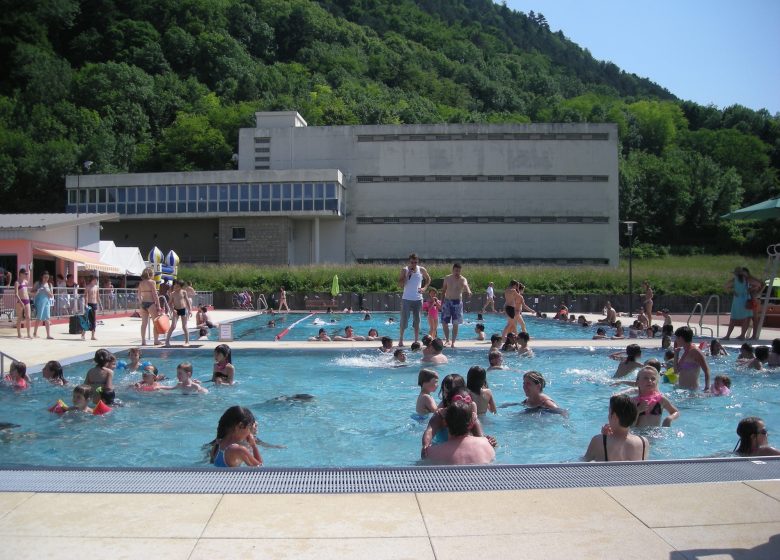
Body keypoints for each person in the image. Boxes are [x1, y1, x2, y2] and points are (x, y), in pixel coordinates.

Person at [423, 399, 496, 465]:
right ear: (471, 424)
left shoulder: (431, 453)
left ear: (445, 423)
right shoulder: (487, 444)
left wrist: (435, 418)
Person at [584, 395, 649, 462]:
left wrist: (604, 438)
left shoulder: (598, 441)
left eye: (609, 413)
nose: (608, 416)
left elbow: (582, 463)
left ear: (614, 416)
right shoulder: (643, 442)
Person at [398, 253, 430, 347]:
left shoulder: (422, 269)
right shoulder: (405, 270)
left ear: (418, 261)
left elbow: (428, 279)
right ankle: (401, 340)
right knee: (404, 319)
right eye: (412, 262)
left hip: (418, 299)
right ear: (409, 262)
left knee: (417, 320)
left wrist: (424, 288)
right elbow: (400, 284)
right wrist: (407, 275)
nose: (414, 264)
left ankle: (416, 340)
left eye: (415, 262)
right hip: (406, 298)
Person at [723, 267, 761, 340]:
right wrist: (750, 289)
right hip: (745, 299)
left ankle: (728, 336)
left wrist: (732, 291)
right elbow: (758, 284)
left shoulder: (735, 280)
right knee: (745, 319)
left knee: (733, 319)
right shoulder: (747, 279)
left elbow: (725, 286)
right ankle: (743, 335)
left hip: (737, 300)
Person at [439, 263, 471, 347]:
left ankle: (453, 342)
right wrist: (441, 302)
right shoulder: (447, 278)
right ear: (453, 270)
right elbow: (443, 290)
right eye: (456, 271)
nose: (457, 272)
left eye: (459, 271)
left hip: (457, 303)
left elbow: (466, 285)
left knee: (455, 323)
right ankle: (447, 340)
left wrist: (468, 291)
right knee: (444, 322)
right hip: (447, 301)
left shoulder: (462, 279)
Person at [673, 326, 711, 391]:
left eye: (676, 338)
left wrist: (707, 388)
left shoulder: (695, 351)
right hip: (681, 390)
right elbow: (676, 371)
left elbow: (707, 370)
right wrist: (676, 354)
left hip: (692, 392)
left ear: (681, 338)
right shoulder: (684, 351)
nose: (675, 340)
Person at [165, 280, 192, 347]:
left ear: (181, 287)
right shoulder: (173, 294)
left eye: (177, 286)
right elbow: (169, 303)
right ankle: (167, 341)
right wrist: (172, 310)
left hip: (183, 309)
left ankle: (187, 341)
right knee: (173, 326)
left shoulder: (184, 292)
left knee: (184, 326)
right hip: (176, 310)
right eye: (175, 285)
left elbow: (187, 301)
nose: (175, 286)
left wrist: (190, 310)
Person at [137, 267, 160, 346]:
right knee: (155, 322)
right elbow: (155, 294)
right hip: (151, 303)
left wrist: (141, 303)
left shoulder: (141, 283)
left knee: (144, 323)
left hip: (143, 304)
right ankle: (156, 340)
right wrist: (158, 305)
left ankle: (143, 341)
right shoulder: (152, 282)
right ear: (151, 274)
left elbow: (139, 295)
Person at [33, 271, 54, 339]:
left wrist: (47, 291)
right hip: (39, 302)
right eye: (45, 277)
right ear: (42, 277)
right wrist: (37, 291)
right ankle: (35, 333)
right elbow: (32, 291)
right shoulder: (38, 283)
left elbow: (51, 296)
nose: (46, 279)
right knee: (39, 318)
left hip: (47, 302)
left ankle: (48, 335)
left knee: (47, 318)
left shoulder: (50, 285)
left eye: (47, 277)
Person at [14, 268, 31, 339]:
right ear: (21, 274)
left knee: (28, 317)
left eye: (26, 274)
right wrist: (21, 302)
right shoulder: (17, 283)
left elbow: (29, 279)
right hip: (20, 301)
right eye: (25, 274)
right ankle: (19, 334)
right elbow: (16, 294)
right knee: (20, 318)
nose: (26, 275)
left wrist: (30, 269)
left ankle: (28, 334)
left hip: (27, 301)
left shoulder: (25, 282)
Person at [82, 275, 99, 341]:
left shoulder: (97, 287)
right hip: (89, 304)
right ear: (92, 280)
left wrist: (98, 304)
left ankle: (93, 335)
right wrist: (86, 304)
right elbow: (85, 296)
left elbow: (97, 296)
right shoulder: (88, 287)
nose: (96, 281)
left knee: (94, 320)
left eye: (96, 280)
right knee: (87, 319)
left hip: (94, 304)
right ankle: (83, 333)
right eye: (95, 280)